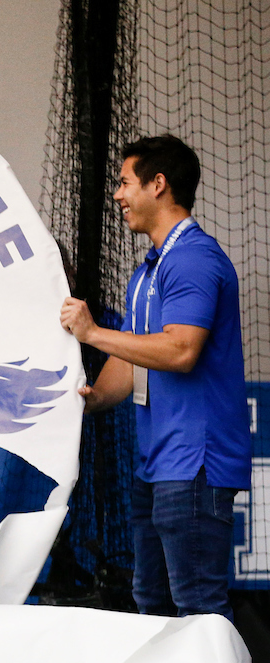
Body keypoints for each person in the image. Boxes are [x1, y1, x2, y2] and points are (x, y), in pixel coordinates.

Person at [60, 135, 252, 621]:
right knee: (155, 605)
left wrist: (93, 332)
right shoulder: (147, 271)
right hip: (156, 464)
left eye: (125, 183)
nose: (119, 195)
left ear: (158, 185)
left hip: (194, 465)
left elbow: (180, 350)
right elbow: (130, 361)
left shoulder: (193, 259)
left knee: (199, 608)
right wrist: (85, 399)